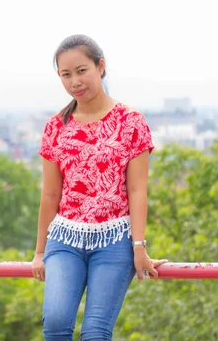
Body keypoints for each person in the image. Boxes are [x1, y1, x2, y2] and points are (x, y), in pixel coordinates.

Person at [31, 34, 167, 341]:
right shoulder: (56, 127)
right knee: (54, 322)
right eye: (66, 75)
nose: (75, 81)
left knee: (94, 331)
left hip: (115, 240)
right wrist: (40, 251)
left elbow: (137, 191)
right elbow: (51, 194)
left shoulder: (131, 122)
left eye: (82, 71)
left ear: (100, 66)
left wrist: (139, 247)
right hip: (65, 239)